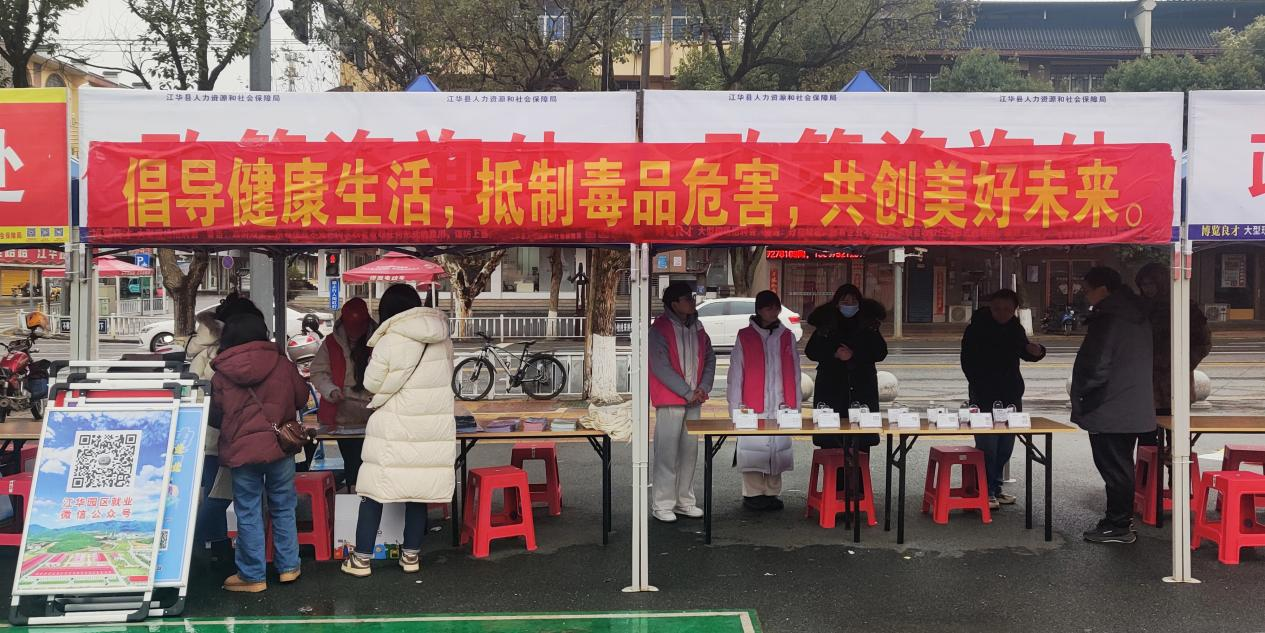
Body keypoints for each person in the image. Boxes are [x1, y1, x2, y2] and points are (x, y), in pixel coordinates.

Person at [341, 284, 454, 577]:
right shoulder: (442, 337)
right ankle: (411, 556)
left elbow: (371, 383)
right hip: (428, 427)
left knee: (373, 490)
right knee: (417, 491)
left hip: (394, 425)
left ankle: (361, 560)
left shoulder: (390, 339)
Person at [210, 310, 310, 592]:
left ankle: (253, 575)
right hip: (279, 446)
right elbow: (302, 397)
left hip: (241, 450)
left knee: (248, 510)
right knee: (283, 506)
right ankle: (288, 567)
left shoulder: (221, 373)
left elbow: (215, 416)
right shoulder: (282, 364)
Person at [1071, 267, 1155, 544]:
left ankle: (1118, 525)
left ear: (1103, 289)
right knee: (1121, 465)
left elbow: (1096, 365)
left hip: (1109, 405)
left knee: (1115, 468)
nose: (1086, 296)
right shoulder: (1135, 314)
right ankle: (1118, 521)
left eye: (1087, 290)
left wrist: (1081, 393)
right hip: (1130, 403)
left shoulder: (1110, 318)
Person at [190, 293, 263, 563]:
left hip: (215, 436)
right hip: (231, 436)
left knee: (217, 493)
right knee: (222, 496)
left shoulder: (207, 354)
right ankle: (195, 543)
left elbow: (196, 393)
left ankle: (215, 546)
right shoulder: (233, 356)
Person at [959, 289, 1047, 509]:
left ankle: (996, 487)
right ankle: (985, 490)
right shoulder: (976, 328)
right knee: (987, 446)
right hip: (984, 396)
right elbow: (967, 362)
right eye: (997, 308)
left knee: (1005, 446)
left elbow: (1025, 351)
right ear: (990, 307)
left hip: (1010, 396)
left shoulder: (1015, 328)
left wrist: (1038, 351)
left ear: (1014, 310)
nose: (1002, 313)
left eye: (1008, 309)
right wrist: (980, 385)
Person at [649, 281, 717, 523]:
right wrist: (688, 392)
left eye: (692, 298)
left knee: (689, 452)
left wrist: (703, 388)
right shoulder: (659, 328)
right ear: (674, 303)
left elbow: (710, 358)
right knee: (666, 453)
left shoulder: (698, 327)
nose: (692, 302)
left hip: (693, 399)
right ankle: (662, 504)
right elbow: (660, 367)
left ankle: (684, 501)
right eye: (687, 298)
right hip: (671, 400)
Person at [727, 291, 801, 511]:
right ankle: (752, 493)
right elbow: (736, 373)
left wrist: (795, 406)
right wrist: (735, 407)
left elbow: (795, 372)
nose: (774, 311)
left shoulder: (787, 336)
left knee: (777, 448)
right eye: (769, 307)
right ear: (759, 310)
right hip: (752, 404)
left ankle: (772, 492)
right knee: (753, 447)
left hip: (782, 403)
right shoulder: (745, 336)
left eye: (776, 307)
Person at [1134, 262, 1213, 443]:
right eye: (1143, 284)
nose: (1147, 289)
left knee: (1177, 441)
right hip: (1144, 383)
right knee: (1146, 440)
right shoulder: (1139, 308)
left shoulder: (1184, 307)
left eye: (1151, 284)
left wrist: (1180, 364)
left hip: (1174, 384)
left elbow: (1203, 342)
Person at [805, 284, 888, 452]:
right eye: (845, 301)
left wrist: (854, 355)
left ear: (859, 303)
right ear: (837, 303)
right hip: (831, 389)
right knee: (831, 442)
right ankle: (832, 470)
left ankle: (860, 469)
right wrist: (834, 354)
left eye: (853, 301)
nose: (849, 305)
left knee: (861, 445)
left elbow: (880, 352)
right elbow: (811, 351)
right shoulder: (826, 325)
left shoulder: (869, 324)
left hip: (862, 388)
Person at [309, 297, 375, 490]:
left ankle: (363, 495)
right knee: (352, 461)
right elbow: (318, 372)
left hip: (373, 413)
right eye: (350, 328)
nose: (354, 333)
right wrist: (331, 390)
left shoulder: (380, 340)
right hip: (341, 414)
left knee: (371, 463)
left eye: (358, 328)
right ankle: (354, 493)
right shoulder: (330, 342)